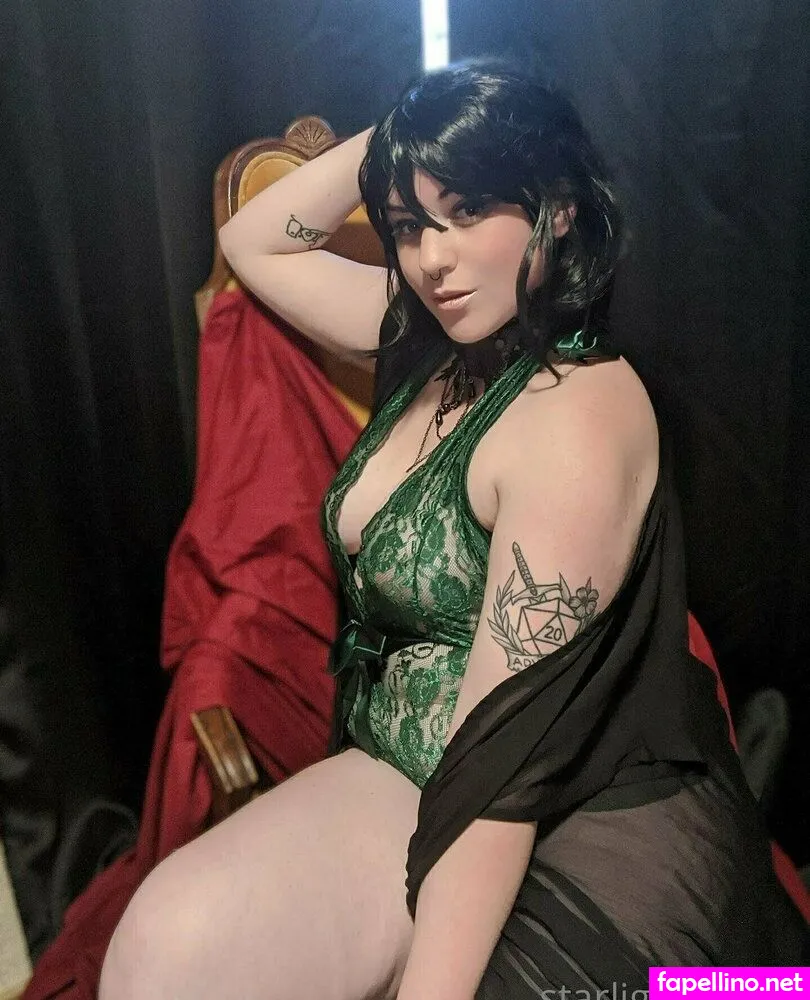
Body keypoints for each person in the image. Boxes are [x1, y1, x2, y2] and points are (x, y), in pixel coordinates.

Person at [98, 60, 807, 1000]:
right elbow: (253, 242)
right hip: (413, 771)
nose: (433, 258)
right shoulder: (431, 335)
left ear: (557, 208)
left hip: (583, 820)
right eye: (408, 225)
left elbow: (501, 768)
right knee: (160, 952)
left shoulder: (577, 418)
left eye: (470, 210)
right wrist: (411, 133)